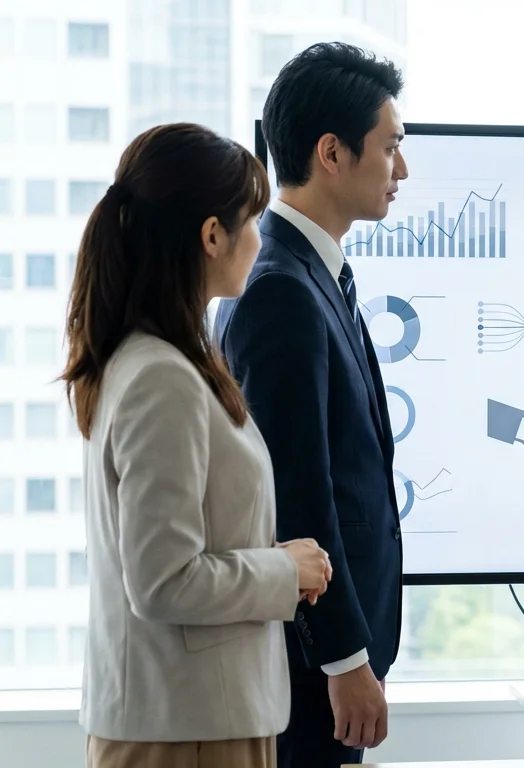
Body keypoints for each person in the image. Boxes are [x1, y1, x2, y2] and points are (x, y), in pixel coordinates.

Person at [62, 122, 333, 768]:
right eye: (253, 220)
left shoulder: (165, 362)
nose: (259, 239)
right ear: (212, 235)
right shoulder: (161, 377)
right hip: (185, 732)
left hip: (197, 720)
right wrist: (284, 571)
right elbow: (162, 581)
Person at [213, 41, 408, 768]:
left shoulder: (308, 273)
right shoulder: (281, 290)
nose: (403, 170)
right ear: (332, 153)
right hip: (309, 667)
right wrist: (343, 660)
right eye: (391, 148)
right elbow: (296, 490)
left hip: (323, 653)